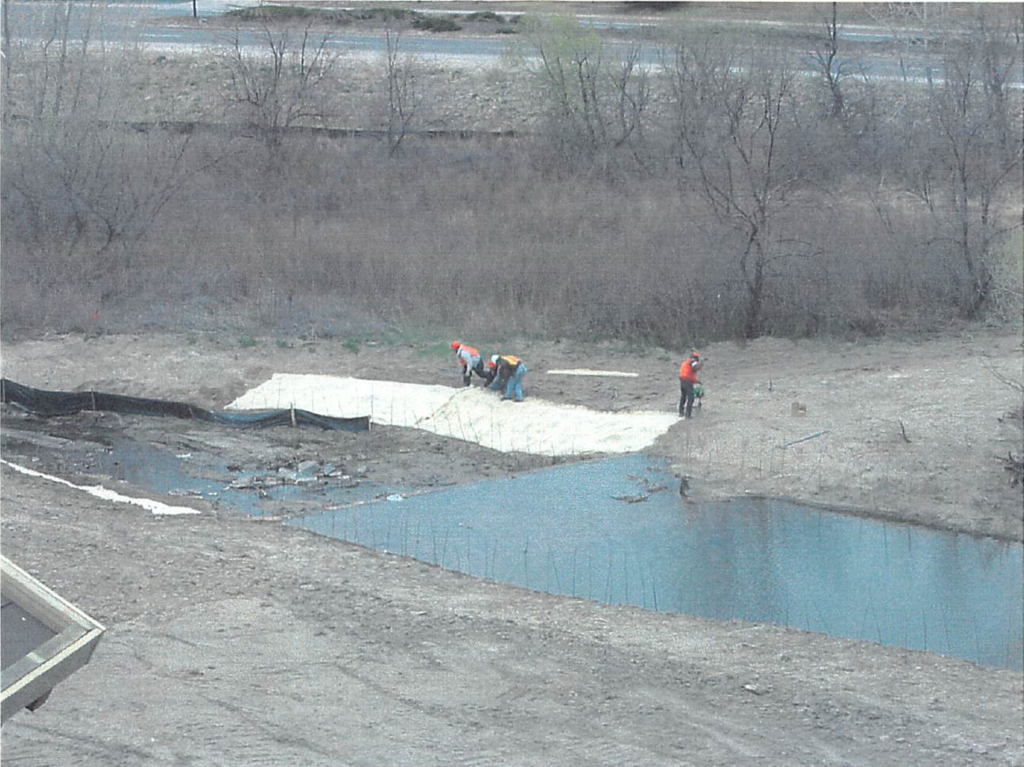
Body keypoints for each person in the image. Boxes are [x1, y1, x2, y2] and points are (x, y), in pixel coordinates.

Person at [679, 350, 702, 418]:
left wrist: (696, 381)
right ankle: (688, 414)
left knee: (683, 396)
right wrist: (700, 365)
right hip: (688, 382)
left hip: (682, 381)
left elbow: (689, 373)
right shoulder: (692, 362)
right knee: (691, 398)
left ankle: (681, 411)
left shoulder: (685, 363)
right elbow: (695, 367)